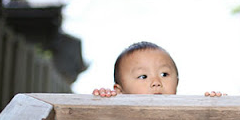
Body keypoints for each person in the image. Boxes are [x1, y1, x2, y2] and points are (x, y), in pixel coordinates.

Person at [92, 41, 224, 97]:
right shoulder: (117, 114)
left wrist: (216, 106)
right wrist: (103, 100)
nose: (156, 82)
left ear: (177, 82)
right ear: (120, 91)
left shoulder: (185, 112)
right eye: (143, 76)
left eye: (164, 74)